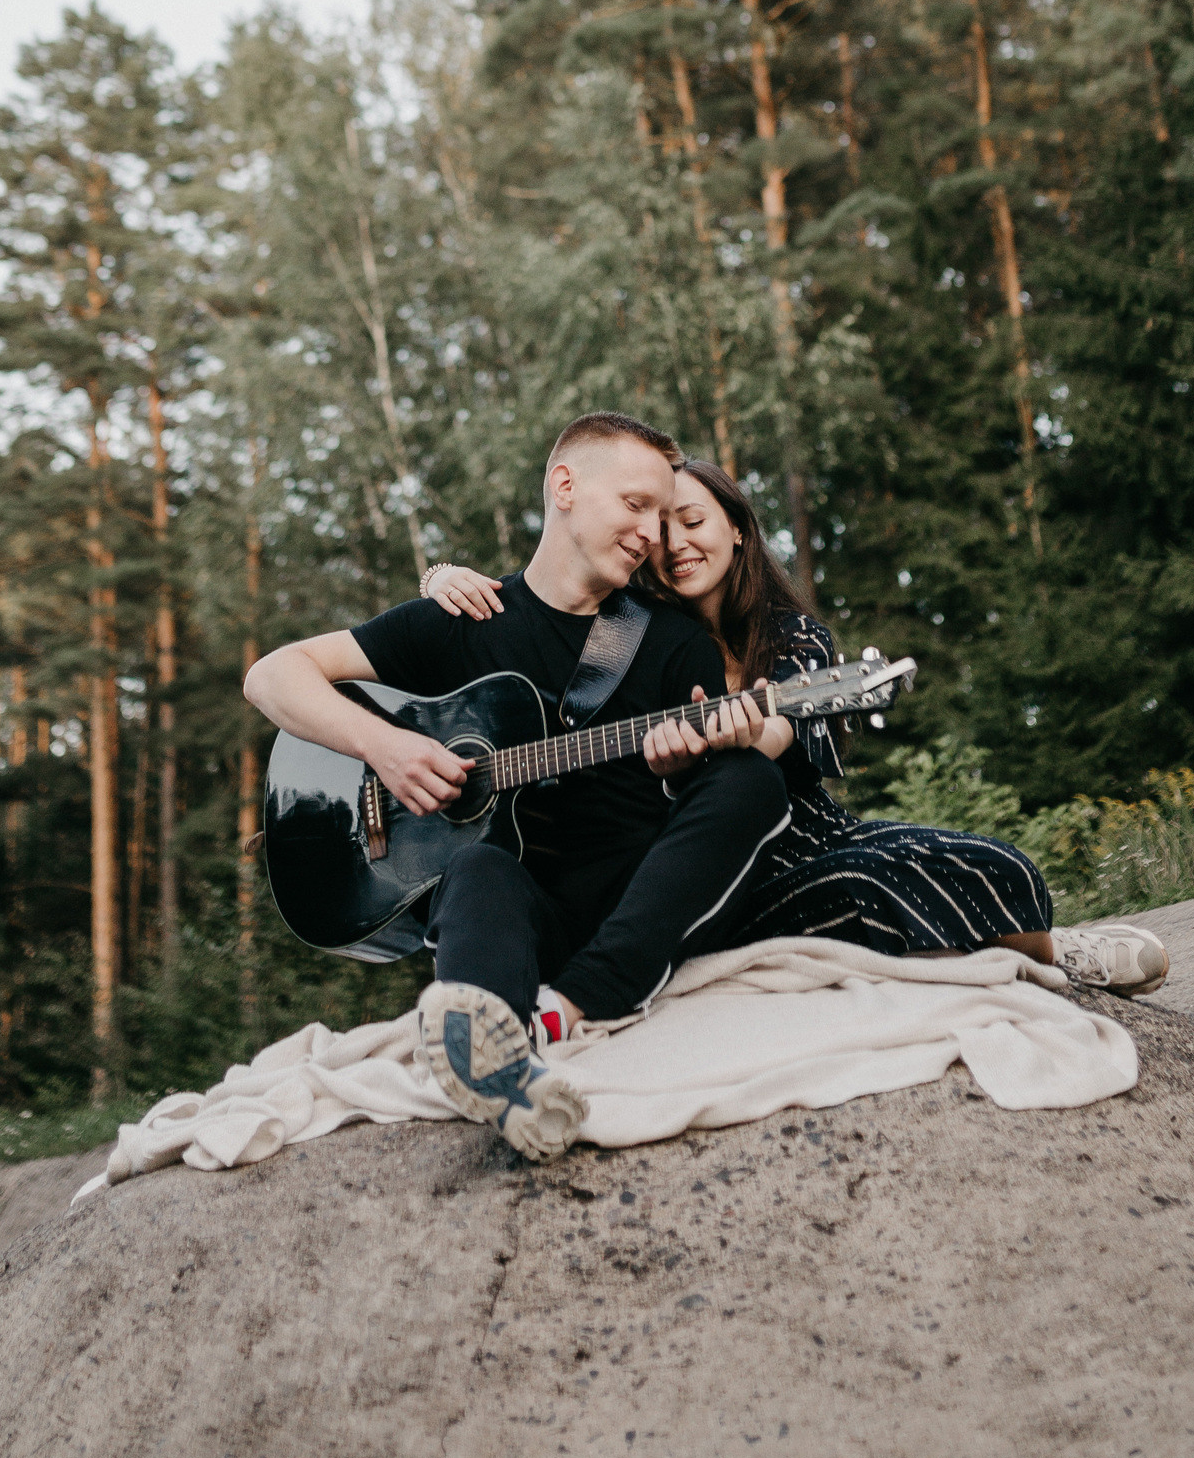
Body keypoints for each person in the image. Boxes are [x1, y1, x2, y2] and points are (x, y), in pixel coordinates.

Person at [243, 413, 790, 1164]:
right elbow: (272, 675)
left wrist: (685, 762)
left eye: (663, 516)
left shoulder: (671, 640)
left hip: (630, 910)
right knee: (476, 866)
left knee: (747, 778)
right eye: (636, 505)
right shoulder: (463, 619)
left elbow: (711, 791)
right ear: (565, 487)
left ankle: (569, 1010)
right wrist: (385, 747)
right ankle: (499, 1066)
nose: (652, 534)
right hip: (519, 921)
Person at [424, 456, 1170, 998]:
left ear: (737, 529)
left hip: (808, 834)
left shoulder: (792, 638)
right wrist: (439, 580)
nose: (677, 544)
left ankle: (1054, 953)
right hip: (687, 866)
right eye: (661, 531)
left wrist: (746, 731)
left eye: (695, 522)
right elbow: (533, 614)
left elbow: (781, 737)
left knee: (989, 861)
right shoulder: (622, 634)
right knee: (862, 888)